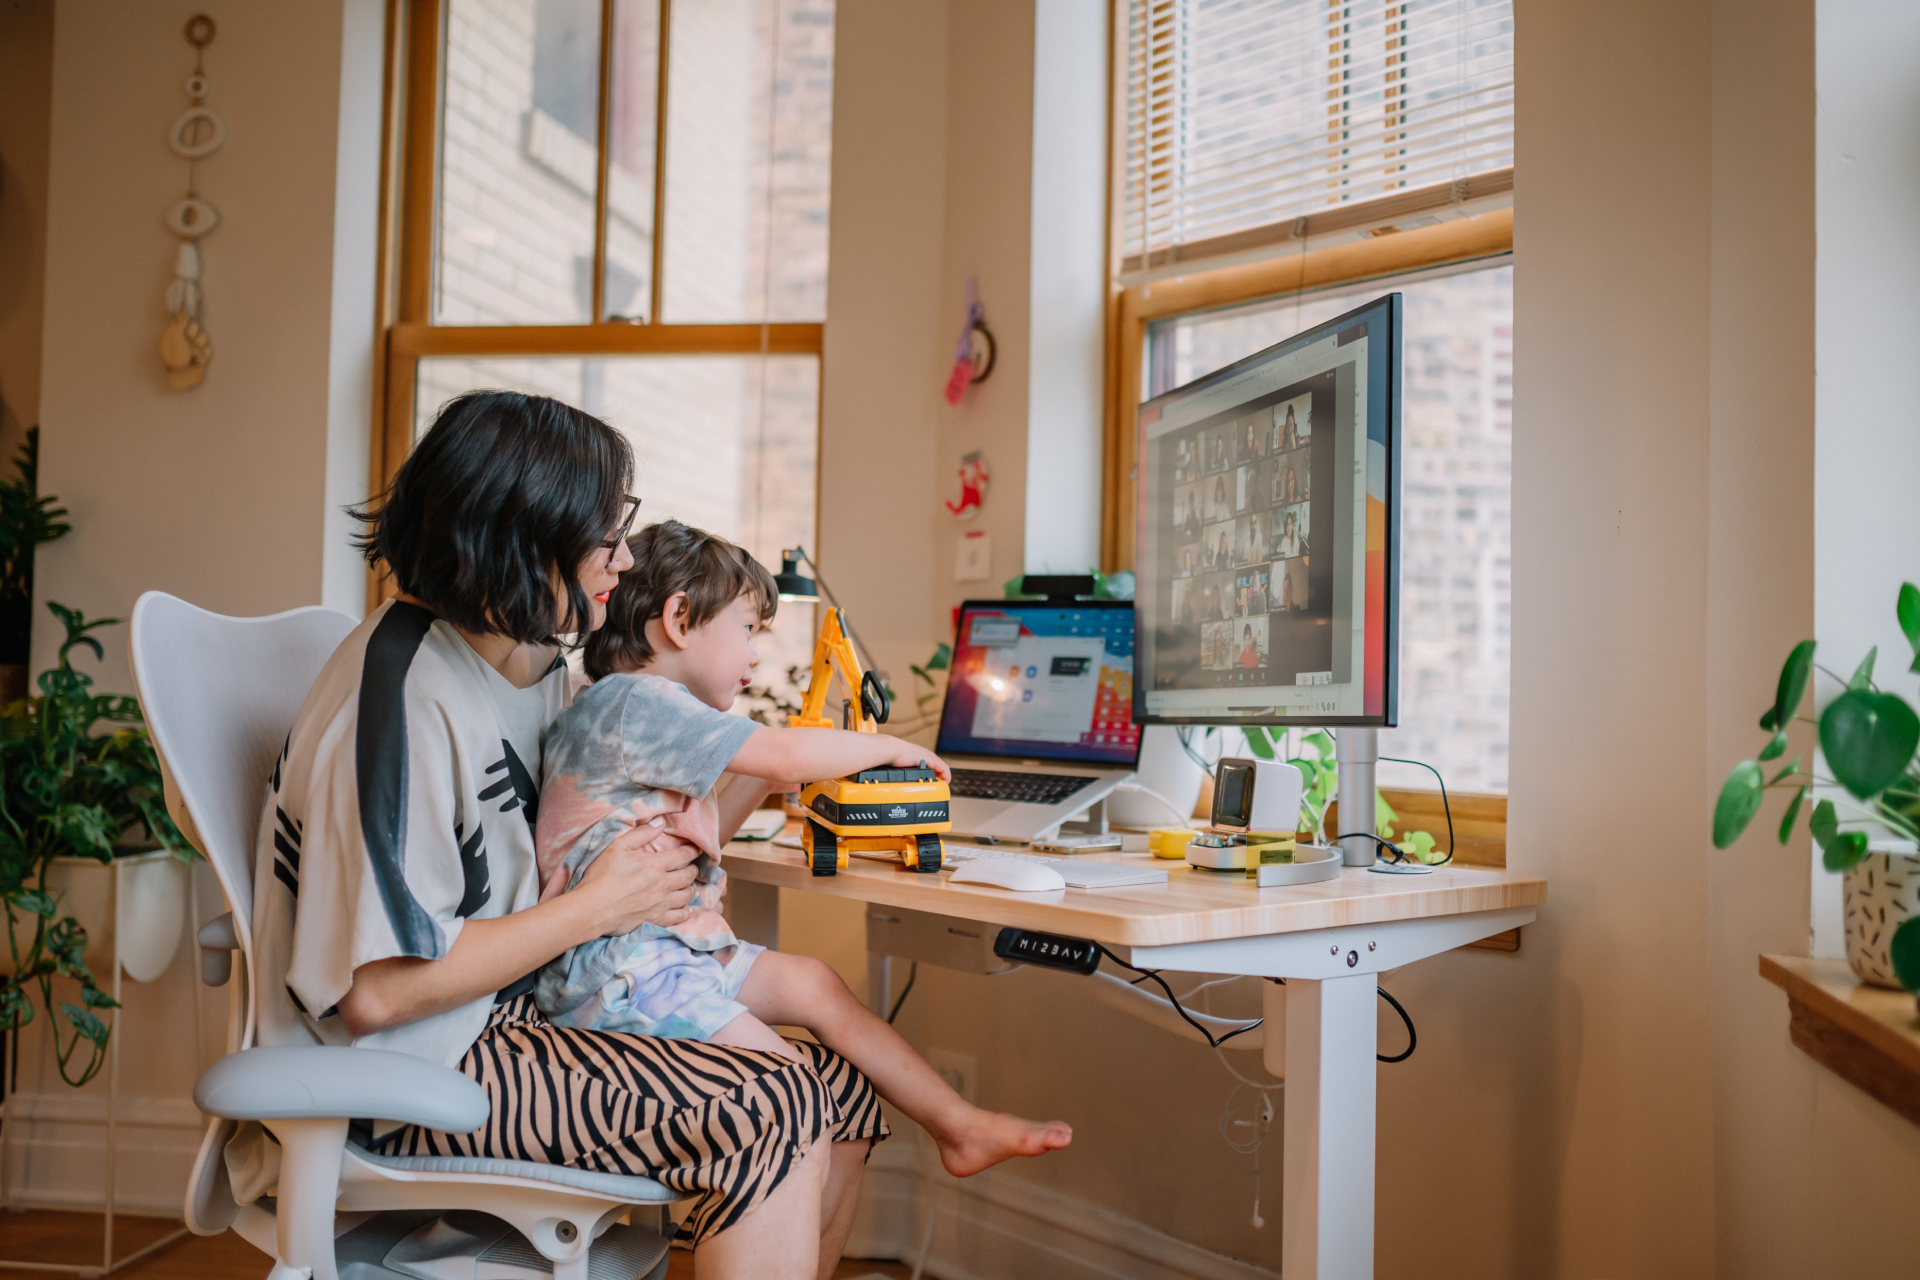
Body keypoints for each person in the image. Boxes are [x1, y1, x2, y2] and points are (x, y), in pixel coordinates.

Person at [249, 391, 878, 1279]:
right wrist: (596, 908)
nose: (622, 561)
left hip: (520, 1012)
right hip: (419, 1062)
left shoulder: (527, 666)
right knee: (769, 1106)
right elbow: (380, 996)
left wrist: (746, 778)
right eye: (605, 535)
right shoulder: (396, 703)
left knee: (842, 1091)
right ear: (522, 529)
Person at [537, 520, 1072, 1180]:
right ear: (679, 618)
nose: (756, 655)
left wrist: (762, 778)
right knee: (792, 1089)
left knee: (816, 983)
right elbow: (786, 747)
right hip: (619, 975)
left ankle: (956, 1124)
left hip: (667, 955)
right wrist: (892, 746)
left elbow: (709, 838)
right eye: (748, 629)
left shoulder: (634, 714)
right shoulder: (634, 703)